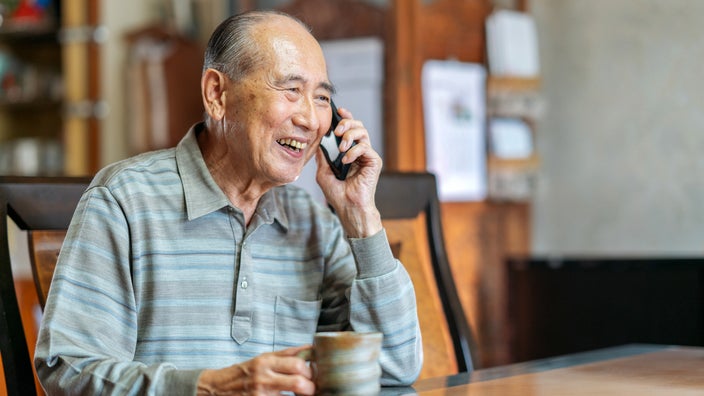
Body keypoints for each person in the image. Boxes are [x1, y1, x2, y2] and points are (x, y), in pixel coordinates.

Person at [34, 10, 422, 395]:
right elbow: (69, 369)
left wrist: (360, 215)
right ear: (217, 94)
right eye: (290, 89)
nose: (309, 118)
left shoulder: (312, 223)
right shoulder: (124, 200)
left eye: (321, 97)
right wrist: (209, 387)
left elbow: (395, 367)